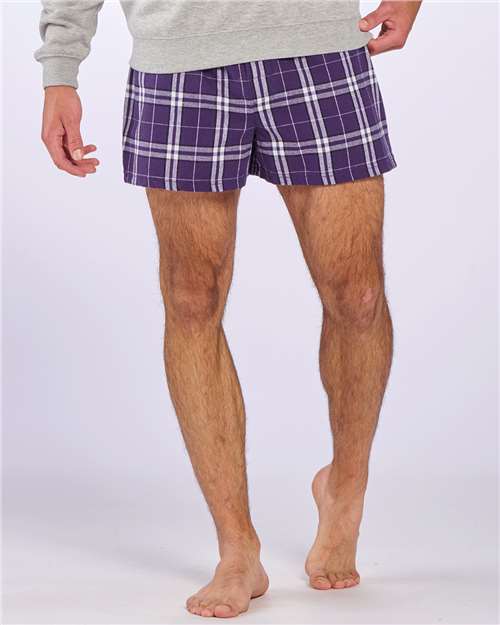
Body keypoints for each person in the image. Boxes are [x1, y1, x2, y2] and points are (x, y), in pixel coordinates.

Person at [35, 0, 421, 618]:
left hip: (319, 47)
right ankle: (237, 547)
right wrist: (61, 68)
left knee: (358, 295)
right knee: (192, 300)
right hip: (178, 61)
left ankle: (345, 487)